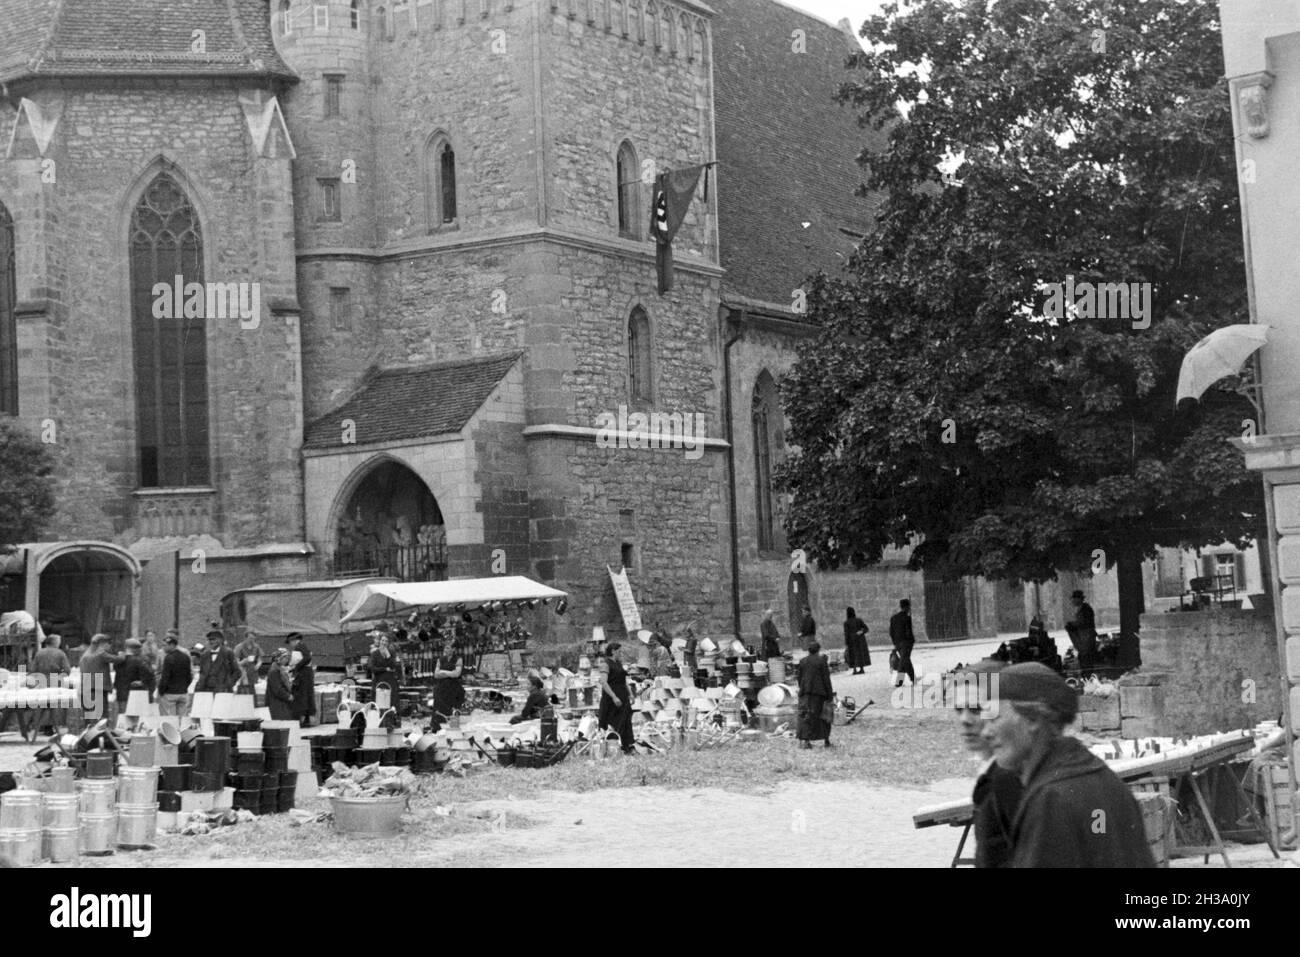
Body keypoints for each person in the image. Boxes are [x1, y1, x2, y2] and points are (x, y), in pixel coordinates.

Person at [980, 662, 1155, 868]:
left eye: (994, 718)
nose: (986, 732)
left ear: (1033, 719)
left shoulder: (1050, 801)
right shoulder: (1107, 780)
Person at [953, 659, 1022, 868]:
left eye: (976, 709)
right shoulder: (995, 771)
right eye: (959, 709)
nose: (964, 719)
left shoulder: (1009, 776)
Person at [31, 634, 72, 738]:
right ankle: (51, 726)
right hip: (55, 680)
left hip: (40, 680)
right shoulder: (60, 653)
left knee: (41, 704)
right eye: (59, 641)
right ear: (55, 642)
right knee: (54, 704)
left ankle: (41, 725)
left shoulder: (39, 653)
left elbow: (32, 669)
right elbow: (67, 670)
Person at [597, 642, 634, 753]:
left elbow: (624, 681)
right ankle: (611, 747)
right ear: (613, 651)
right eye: (619, 651)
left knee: (625, 721)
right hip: (611, 698)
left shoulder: (619, 664)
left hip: (623, 697)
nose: (620, 653)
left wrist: (630, 694)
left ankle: (626, 746)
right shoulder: (605, 664)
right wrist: (614, 697)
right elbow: (604, 682)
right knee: (613, 722)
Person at [796, 640, 833, 748]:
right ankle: (826, 740)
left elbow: (799, 678)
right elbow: (826, 679)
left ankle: (806, 740)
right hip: (819, 693)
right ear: (818, 650)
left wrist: (802, 688)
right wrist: (829, 694)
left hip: (806, 693)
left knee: (807, 716)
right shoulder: (821, 661)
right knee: (823, 716)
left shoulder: (802, 661)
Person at [114, 637, 156, 732]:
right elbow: (150, 675)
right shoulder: (139, 661)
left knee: (122, 719)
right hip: (135, 695)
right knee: (135, 721)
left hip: (121, 694)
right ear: (136, 649)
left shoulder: (118, 662)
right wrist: (143, 682)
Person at [78, 635, 117, 725]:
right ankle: (100, 737)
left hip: (86, 687)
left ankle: (89, 736)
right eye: (107, 644)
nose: (108, 647)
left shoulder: (85, 655)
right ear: (102, 643)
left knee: (89, 718)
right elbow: (118, 659)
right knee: (101, 719)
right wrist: (123, 655)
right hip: (98, 687)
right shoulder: (100, 653)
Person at [157, 634, 193, 719]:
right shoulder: (185, 657)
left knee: (168, 720)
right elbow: (189, 676)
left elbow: (165, 677)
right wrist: (184, 687)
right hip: (183, 692)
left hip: (169, 693)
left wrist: (161, 690)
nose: (163, 648)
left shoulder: (168, 658)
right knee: (182, 719)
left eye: (165, 645)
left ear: (172, 645)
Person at [430, 644, 465, 731]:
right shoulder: (440, 659)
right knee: (439, 710)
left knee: (453, 710)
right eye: (445, 647)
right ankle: (437, 730)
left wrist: (443, 672)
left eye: (448, 647)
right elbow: (436, 675)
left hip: (454, 689)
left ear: (453, 649)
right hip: (441, 689)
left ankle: (452, 731)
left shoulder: (458, 659)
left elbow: (457, 674)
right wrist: (450, 673)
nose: (445, 649)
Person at [286, 633, 317, 726]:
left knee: (302, 695)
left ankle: (302, 720)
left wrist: (297, 667)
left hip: (304, 674)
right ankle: (309, 718)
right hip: (307, 673)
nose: (290, 645)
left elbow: (307, 658)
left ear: (294, 640)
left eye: (290, 642)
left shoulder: (299, 647)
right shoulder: (303, 646)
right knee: (308, 695)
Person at [1066, 591, 1098, 674]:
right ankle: (1086, 675)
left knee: (1086, 659)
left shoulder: (1086, 609)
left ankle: (1088, 676)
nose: (1072, 601)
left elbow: (1084, 623)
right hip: (1084, 639)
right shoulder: (1082, 609)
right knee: (1084, 658)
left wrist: (1073, 625)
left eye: (1074, 599)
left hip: (1086, 639)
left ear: (1079, 599)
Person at [889, 598, 916, 688]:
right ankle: (899, 682)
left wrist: (895, 643)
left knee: (906, 660)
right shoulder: (907, 618)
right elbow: (909, 631)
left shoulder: (893, 618)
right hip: (906, 643)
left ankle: (913, 679)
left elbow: (891, 632)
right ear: (907, 607)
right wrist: (911, 641)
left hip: (898, 643)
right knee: (904, 661)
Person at [368, 632, 401, 704]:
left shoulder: (391, 653)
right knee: (379, 704)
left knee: (390, 704)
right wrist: (385, 669)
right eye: (382, 640)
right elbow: (373, 668)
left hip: (390, 682)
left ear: (388, 643)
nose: (384, 642)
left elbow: (394, 666)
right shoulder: (375, 653)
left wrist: (388, 655)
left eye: (386, 641)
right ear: (380, 641)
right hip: (378, 681)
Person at [265, 649, 295, 721]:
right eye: (285, 657)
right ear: (278, 658)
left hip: (282, 703)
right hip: (277, 704)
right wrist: (288, 696)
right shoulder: (274, 671)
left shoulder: (280, 670)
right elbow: (277, 689)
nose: (287, 659)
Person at [843, 607, 870, 675]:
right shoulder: (859, 620)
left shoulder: (846, 623)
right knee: (860, 654)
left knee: (853, 655)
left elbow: (846, 633)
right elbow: (866, 628)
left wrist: (846, 643)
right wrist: (861, 632)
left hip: (852, 640)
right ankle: (861, 668)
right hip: (860, 639)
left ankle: (854, 669)